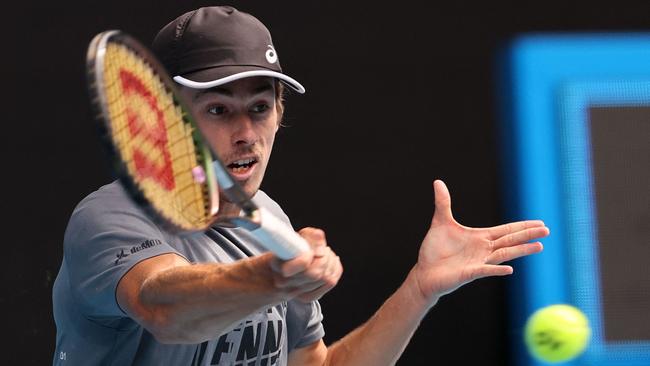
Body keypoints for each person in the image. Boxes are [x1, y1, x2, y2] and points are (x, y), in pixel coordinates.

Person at [52, 5, 550, 366]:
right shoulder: (110, 216)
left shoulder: (267, 218)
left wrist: (418, 290)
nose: (246, 133)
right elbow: (162, 308)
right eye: (219, 109)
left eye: (260, 107)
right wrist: (272, 279)